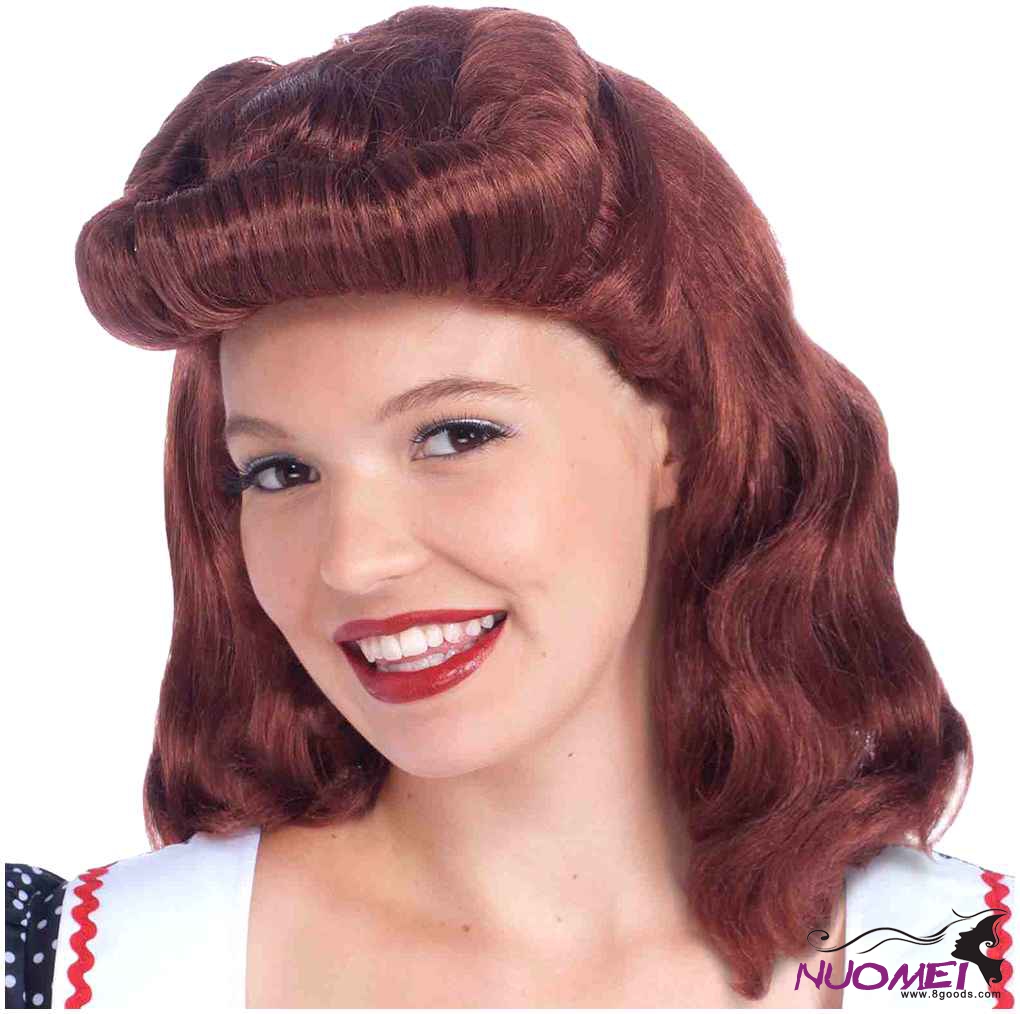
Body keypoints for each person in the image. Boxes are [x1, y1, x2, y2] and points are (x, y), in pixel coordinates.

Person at [5, 5, 1013, 1009]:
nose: (353, 560)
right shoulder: (59, 964)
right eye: (279, 472)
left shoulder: (966, 968)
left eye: (455, 436)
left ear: (678, 432)